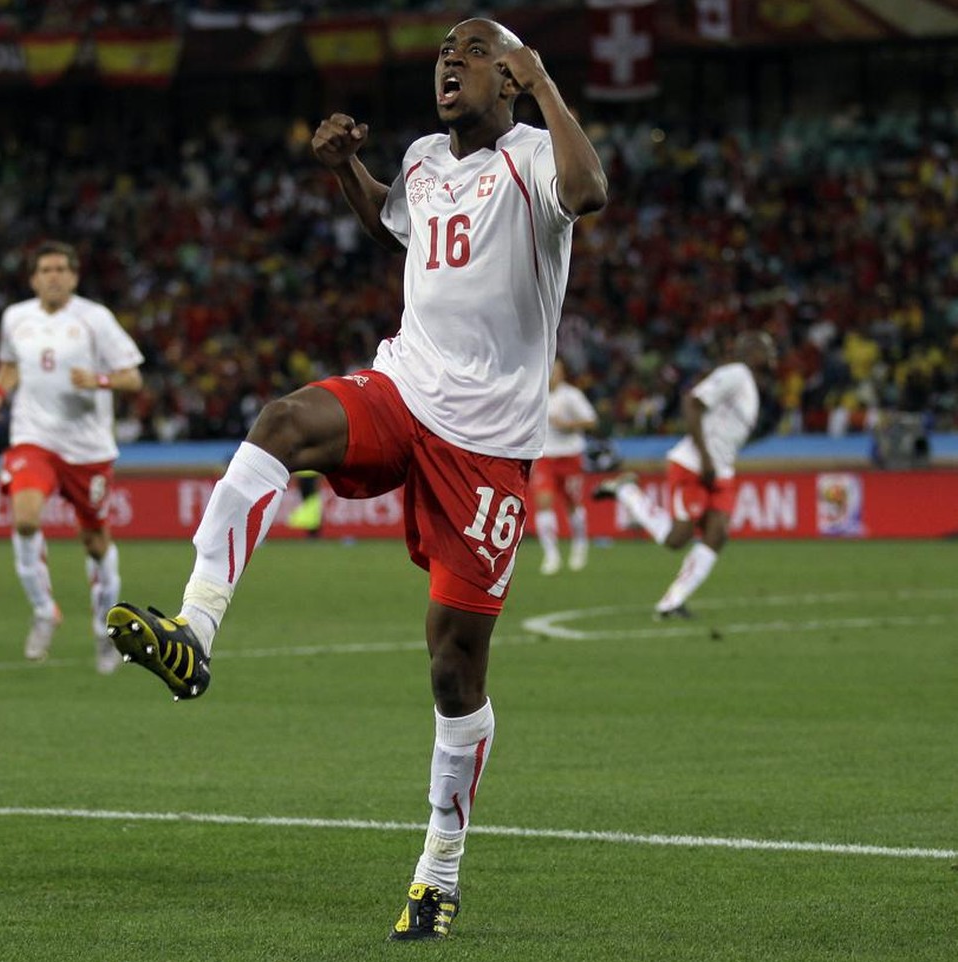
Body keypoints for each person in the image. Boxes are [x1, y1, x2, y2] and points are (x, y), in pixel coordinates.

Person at [104, 17, 606, 941]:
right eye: (441, 55)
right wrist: (346, 172)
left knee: (455, 668)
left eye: (470, 52)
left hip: (490, 441)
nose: (447, 64)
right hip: (405, 385)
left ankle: (438, 869)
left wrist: (543, 86)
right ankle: (195, 628)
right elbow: (400, 230)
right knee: (283, 420)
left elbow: (589, 191)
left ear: (508, 73)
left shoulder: (537, 152)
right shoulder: (420, 158)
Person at [0, 240, 144, 675]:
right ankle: (43, 610)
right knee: (26, 518)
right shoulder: (16, 317)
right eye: (45, 270)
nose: (53, 276)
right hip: (33, 439)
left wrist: (99, 379)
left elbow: (133, 378)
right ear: (33, 279)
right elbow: (10, 363)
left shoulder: (94, 319)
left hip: (88, 450)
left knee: (95, 540)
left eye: (60, 269)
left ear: (74, 276)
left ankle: (107, 627)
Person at [594, 331, 778, 618]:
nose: (772, 353)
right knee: (677, 538)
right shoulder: (736, 373)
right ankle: (626, 490)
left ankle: (672, 601)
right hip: (694, 465)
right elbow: (692, 403)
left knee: (717, 534)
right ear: (750, 351)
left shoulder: (753, 389)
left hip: (721, 471)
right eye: (766, 348)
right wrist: (705, 457)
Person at [531, 358, 598, 574]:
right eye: (549, 370)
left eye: (556, 371)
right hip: (545, 456)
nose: (552, 375)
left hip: (570, 456)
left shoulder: (572, 396)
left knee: (573, 505)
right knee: (543, 502)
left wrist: (568, 425)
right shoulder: (535, 393)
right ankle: (551, 555)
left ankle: (580, 544)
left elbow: (591, 421)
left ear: (562, 374)